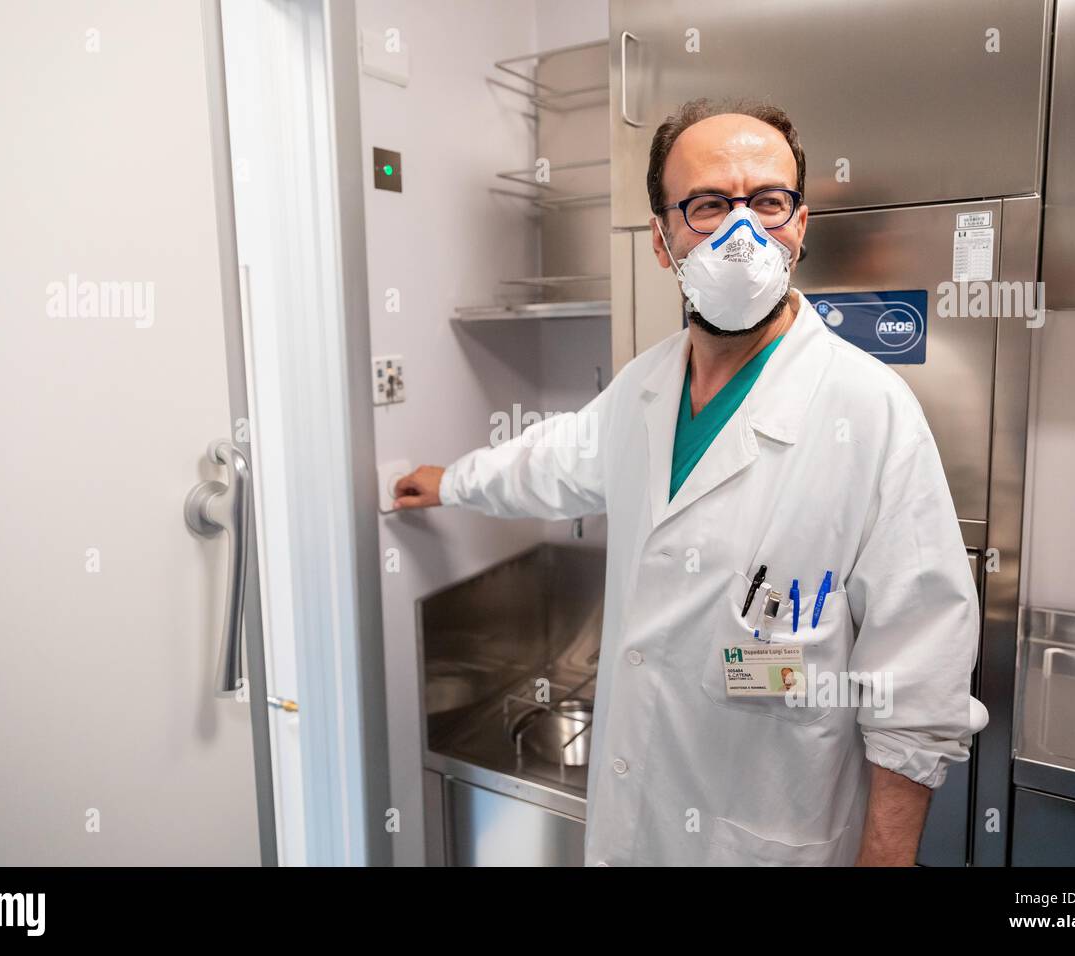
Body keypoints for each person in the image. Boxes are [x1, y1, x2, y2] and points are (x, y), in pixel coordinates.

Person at [393, 97, 986, 866]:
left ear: (800, 225)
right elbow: (551, 463)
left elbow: (920, 680)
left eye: (768, 202)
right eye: (708, 206)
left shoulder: (870, 411)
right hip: (638, 825)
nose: (743, 233)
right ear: (663, 239)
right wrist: (453, 481)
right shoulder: (644, 388)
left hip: (772, 839)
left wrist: (887, 858)